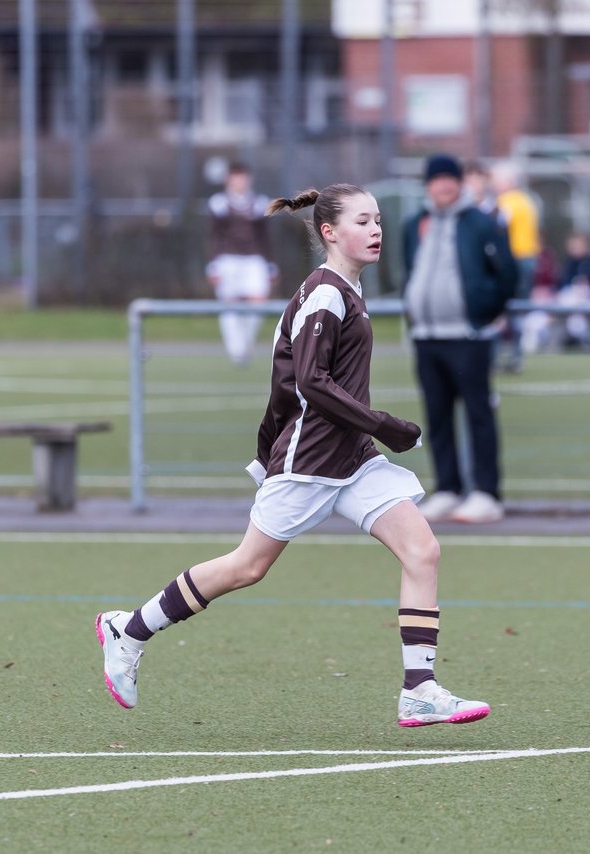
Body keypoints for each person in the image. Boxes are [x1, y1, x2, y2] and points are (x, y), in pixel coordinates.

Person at [97, 183, 491, 728]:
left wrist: (297, 439)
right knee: (245, 567)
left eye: (377, 220)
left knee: (422, 551)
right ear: (329, 232)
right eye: (361, 221)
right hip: (310, 462)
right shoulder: (326, 294)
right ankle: (129, 629)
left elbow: (285, 387)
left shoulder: (344, 291)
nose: (375, 230)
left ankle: (419, 689)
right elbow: (309, 381)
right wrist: (383, 426)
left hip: (351, 460)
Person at [402, 154, 518, 525]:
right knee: (437, 417)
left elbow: (507, 273)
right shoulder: (414, 224)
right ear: (427, 185)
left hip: (468, 336)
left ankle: (486, 492)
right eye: (437, 180)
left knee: (478, 414)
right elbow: (408, 267)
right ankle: (448, 489)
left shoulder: (481, 222)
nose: (444, 186)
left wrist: (484, 307)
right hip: (426, 335)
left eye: (450, 179)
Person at [205, 162, 277, 365]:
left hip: (254, 260)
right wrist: (213, 264)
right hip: (227, 260)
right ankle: (236, 350)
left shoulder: (259, 203)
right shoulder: (218, 203)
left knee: (258, 302)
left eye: (243, 176)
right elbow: (213, 236)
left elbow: (265, 237)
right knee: (230, 306)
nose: (239, 181)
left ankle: (245, 343)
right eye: (235, 176)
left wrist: (270, 264)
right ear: (228, 179)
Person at [492, 161, 541, 373]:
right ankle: (515, 356)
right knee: (519, 310)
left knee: (498, 309)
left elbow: (497, 228)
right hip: (528, 258)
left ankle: (495, 357)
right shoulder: (527, 201)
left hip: (513, 261)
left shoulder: (506, 202)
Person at [558, 232, 590, 347]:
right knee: (572, 303)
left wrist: (585, 284)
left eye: (579, 244)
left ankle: (578, 336)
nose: (577, 247)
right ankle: (581, 336)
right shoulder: (568, 263)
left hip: (587, 295)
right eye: (574, 245)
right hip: (570, 296)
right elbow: (562, 284)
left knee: (578, 303)